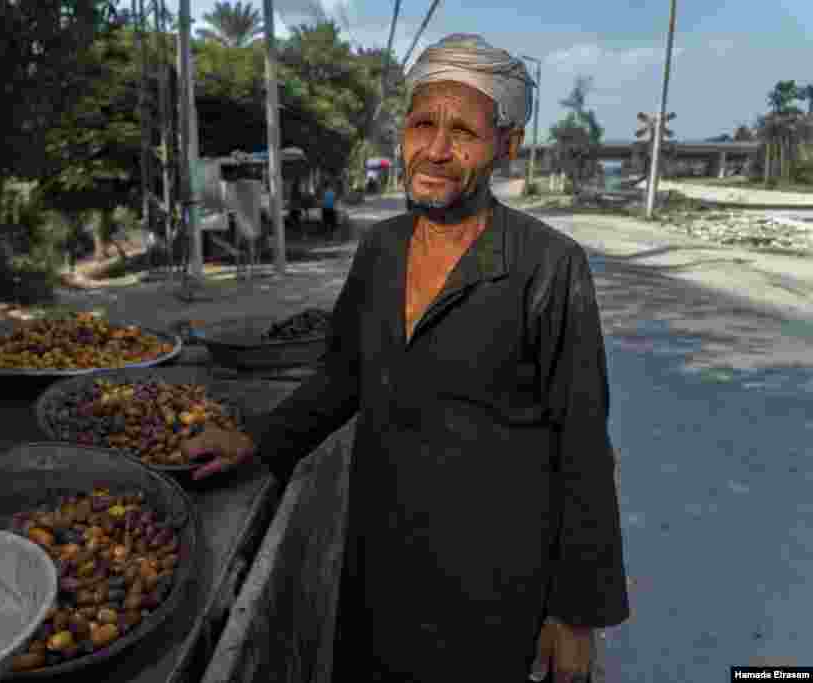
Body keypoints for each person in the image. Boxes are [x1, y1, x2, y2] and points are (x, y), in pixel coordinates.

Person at [184, 33, 629, 682]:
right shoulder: (382, 250)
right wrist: (255, 439)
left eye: (463, 132)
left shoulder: (549, 267)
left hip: (496, 592)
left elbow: (583, 443)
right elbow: (340, 376)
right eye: (423, 123)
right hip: (381, 570)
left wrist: (576, 611)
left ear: (505, 148)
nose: (437, 150)